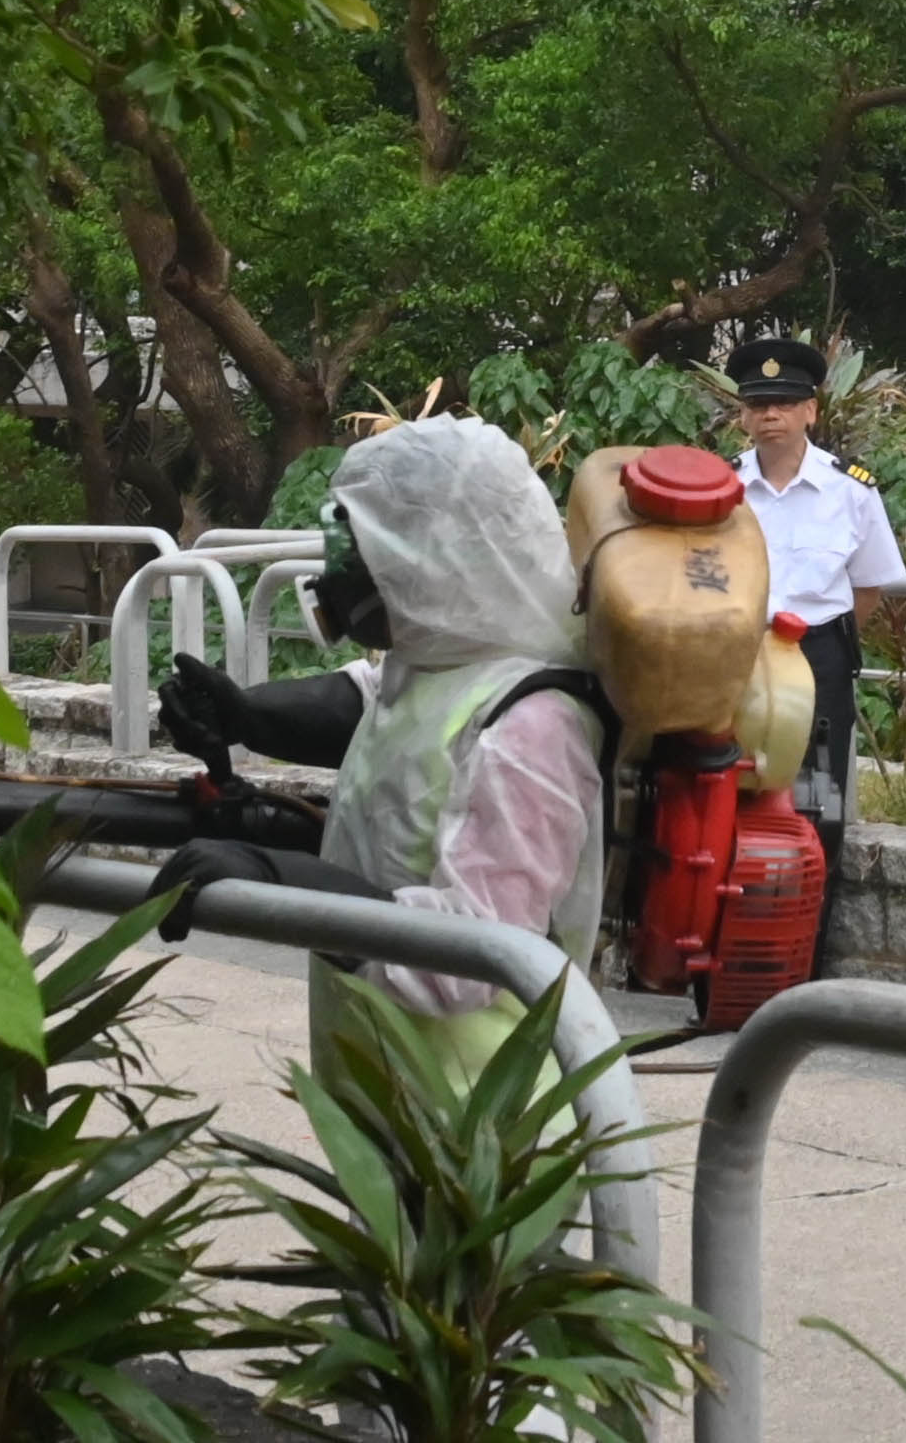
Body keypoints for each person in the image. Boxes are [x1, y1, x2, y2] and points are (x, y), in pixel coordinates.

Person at [149, 416, 611, 1079]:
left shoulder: (536, 720)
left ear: (434, 554)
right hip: (385, 1092)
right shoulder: (430, 670)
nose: (337, 579)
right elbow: (362, 710)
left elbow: (474, 955)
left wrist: (279, 880)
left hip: (485, 1111)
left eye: (359, 553)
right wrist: (242, 715)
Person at [729, 335, 903, 848]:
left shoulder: (850, 490)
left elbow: (868, 586)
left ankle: (816, 897)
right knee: (732, 780)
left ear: (811, 410)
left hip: (818, 654)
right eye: (759, 404)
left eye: (785, 402)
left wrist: (822, 642)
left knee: (817, 794)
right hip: (737, 653)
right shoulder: (722, 489)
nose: (771, 415)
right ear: (743, 417)